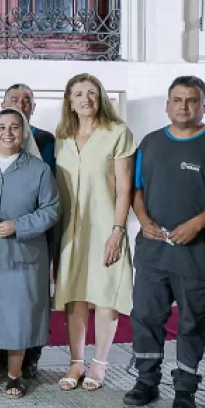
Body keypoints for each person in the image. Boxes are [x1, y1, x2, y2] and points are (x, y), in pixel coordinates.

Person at [124, 76, 205, 408]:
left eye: (191, 100)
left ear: (204, 106)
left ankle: (185, 390)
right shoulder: (150, 143)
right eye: (177, 99)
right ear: (167, 105)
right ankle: (146, 382)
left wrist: (196, 225)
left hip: (199, 252)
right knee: (146, 317)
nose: (183, 105)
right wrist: (144, 221)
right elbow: (135, 189)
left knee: (192, 322)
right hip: (154, 251)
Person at [0, 108, 60, 398]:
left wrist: (18, 225)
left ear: (24, 132)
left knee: (19, 311)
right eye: (1, 126)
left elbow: (52, 209)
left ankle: (16, 373)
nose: (8, 133)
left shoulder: (38, 169)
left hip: (22, 251)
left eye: (14, 127)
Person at [53, 73, 135, 391]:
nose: (85, 99)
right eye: (77, 94)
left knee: (104, 295)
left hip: (105, 225)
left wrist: (117, 231)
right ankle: (75, 362)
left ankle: (99, 363)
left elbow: (125, 189)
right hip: (70, 227)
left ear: (100, 97)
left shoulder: (117, 132)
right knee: (74, 295)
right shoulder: (62, 136)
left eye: (91, 92)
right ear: (69, 102)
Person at [0, 84, 56, 174]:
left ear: (33, 107)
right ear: (3, 106)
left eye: (26, 101)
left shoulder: (45, 139)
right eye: (14, 101)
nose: (20, 105)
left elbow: (49, 174)